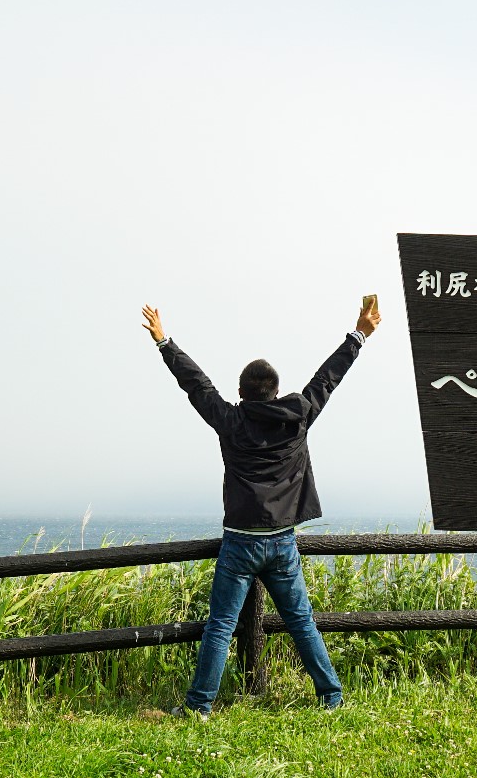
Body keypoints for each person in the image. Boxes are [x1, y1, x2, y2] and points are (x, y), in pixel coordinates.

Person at [143, 297, 380, 716]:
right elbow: (327, 379)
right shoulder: (298, 416)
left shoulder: (231, 421)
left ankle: (199, 707)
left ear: (242, 393)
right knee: (301, 621)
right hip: (282, 543)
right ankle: (331, 697)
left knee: (220, 626)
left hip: (239, 543)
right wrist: (359, 334)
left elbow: (197, 386)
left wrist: (165, 343)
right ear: (274, 390)